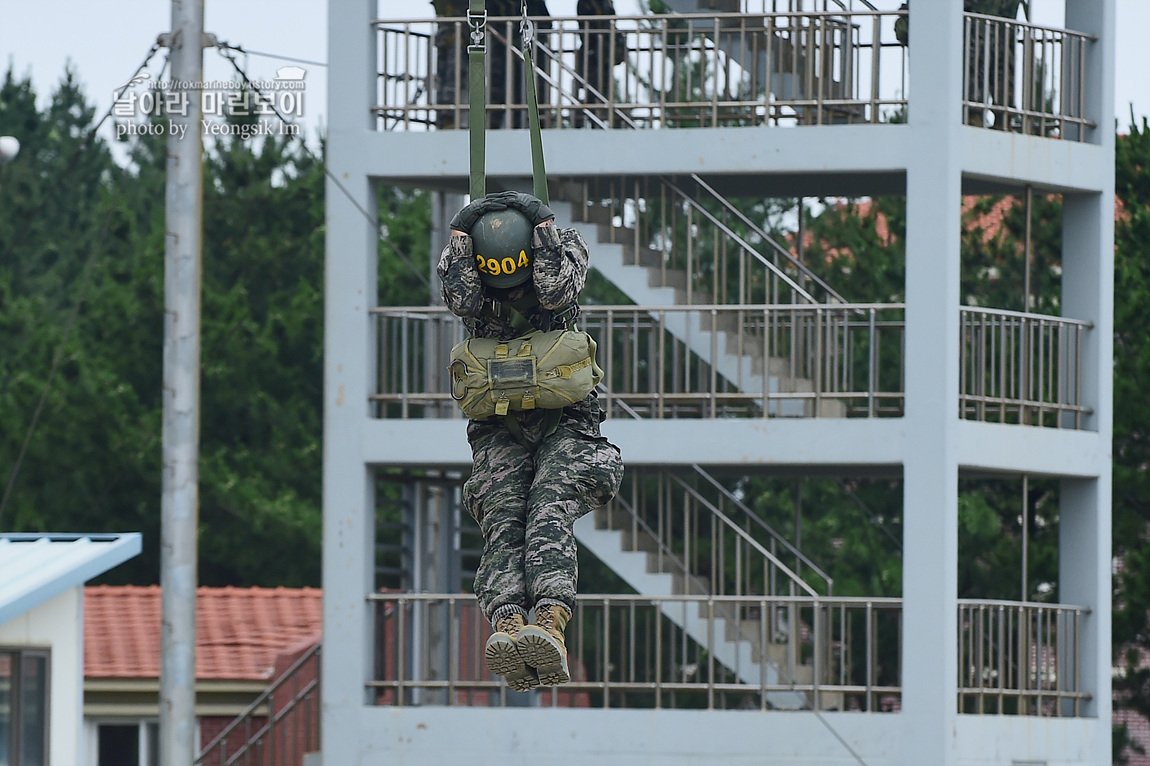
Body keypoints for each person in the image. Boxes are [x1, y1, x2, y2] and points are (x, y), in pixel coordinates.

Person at [438, 191, 624, 690]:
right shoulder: (470, 270)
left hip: (568, 425)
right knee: (502, 513)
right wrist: (460, 230)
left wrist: (542, 224)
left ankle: (550, 620)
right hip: (501, 428)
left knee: (546, 509)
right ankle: (506, 620)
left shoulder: (566, 249)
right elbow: (459, 299)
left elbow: (556, 292)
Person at [575, 0, 626, 127]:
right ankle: (590, 121)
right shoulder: (585, 3)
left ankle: (601, 119)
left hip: (604, 53)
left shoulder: (606, 2)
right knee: (591, 90)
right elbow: (586, 25)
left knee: (605, 90)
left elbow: (610, 22)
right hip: (591, 53)